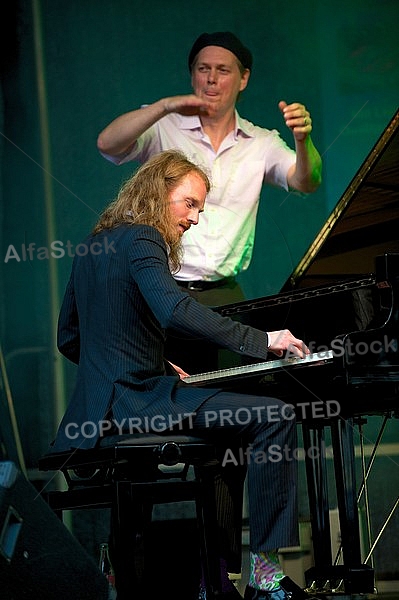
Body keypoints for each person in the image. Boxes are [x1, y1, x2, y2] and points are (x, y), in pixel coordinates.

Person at [49, 150, 315, 600]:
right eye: (189, 203)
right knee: (275, 415)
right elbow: (174, 310)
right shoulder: (142, 239)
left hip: (99, 412)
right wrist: (262, 340)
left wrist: (145, 360)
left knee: (228, 436)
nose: (194, 218)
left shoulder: (93, 244)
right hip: (140, 403)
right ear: (158, 191)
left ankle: (215, 579)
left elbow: (69, 338)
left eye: (200, 208)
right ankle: (266, 578)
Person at [96, 30, 322, 314]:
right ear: (193, 76)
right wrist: (165, 106)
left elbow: (307, 182)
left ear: (244, 79)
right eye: (203, 69)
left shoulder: (260, 141)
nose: (211, 78)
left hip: (223, 291)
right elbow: (107, 144)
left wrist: (303, 140)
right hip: (158, 282)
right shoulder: (163, 124)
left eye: (223, 70)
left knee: (235, 356)